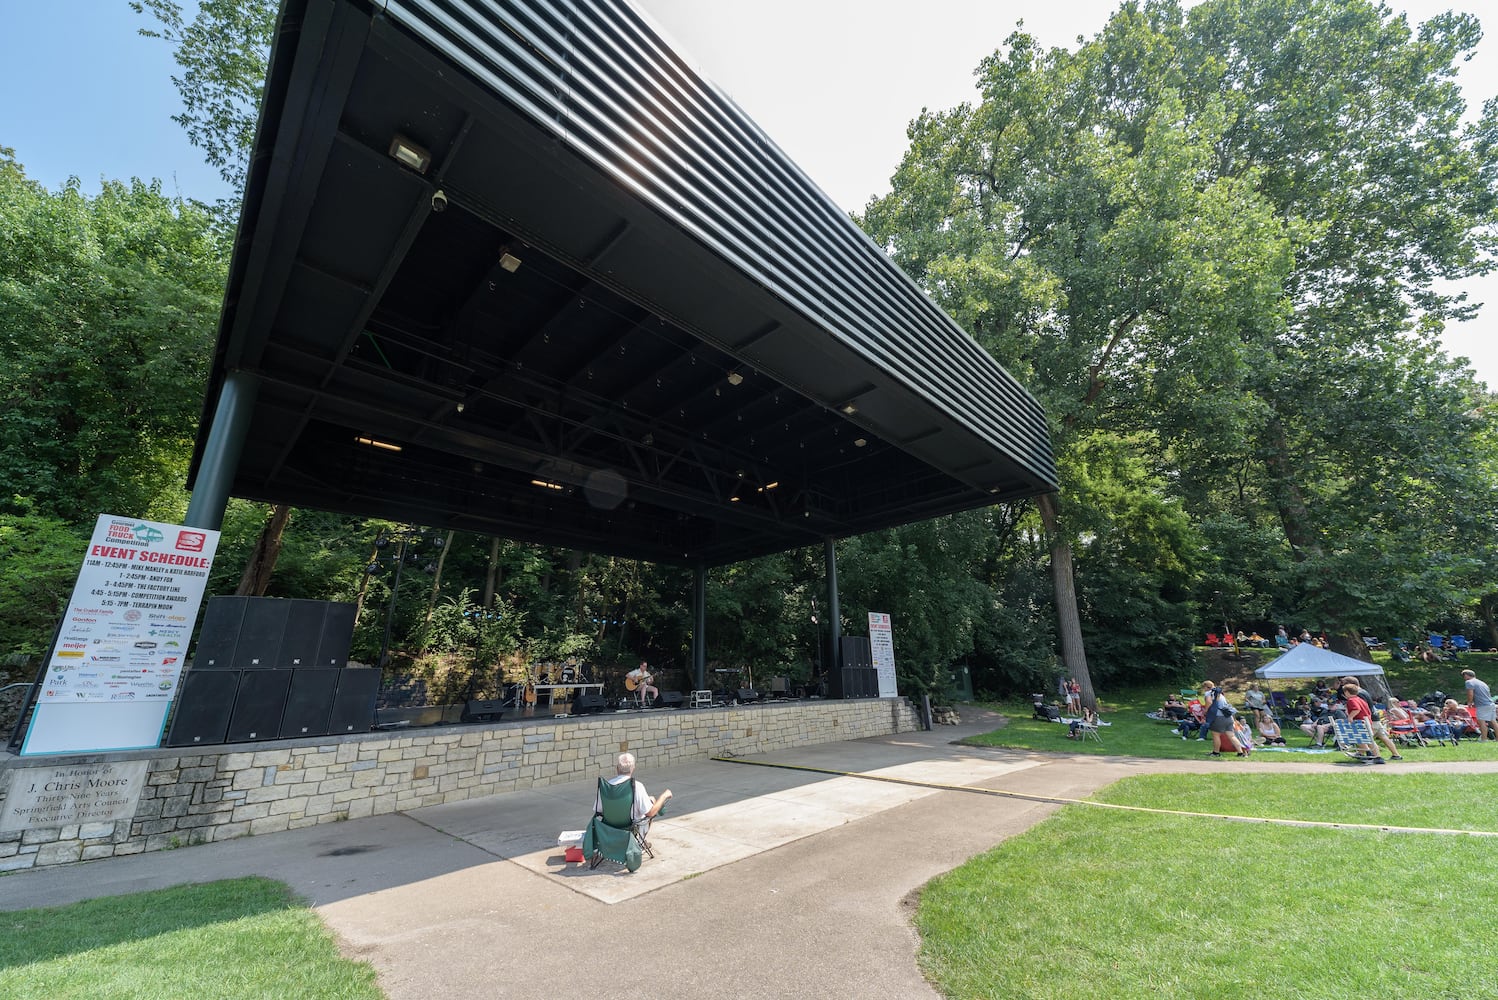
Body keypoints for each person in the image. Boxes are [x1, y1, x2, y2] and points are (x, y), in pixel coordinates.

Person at [595, 752, 673, 838]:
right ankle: (640, 844)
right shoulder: (636, 786)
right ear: (633, 768)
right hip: (630, 830)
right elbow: (650, 813)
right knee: (651, 806)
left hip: (609, 829)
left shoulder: (606, 786)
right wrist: (664, 796)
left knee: (651, 799)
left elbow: (599, 810)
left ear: (617, 768)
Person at [1341, 683, 1391, 762]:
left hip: (1359, 723)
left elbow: (1356, 709)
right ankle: (1372, 754)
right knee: (1367, 739)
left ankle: (1376, 756)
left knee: (1364, 739)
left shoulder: (1351, 700)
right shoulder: (1360, 699)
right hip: (1367, 721)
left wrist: (1350, 717)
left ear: (1347, 692)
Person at [1201, 681, 1245, 757]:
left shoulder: (1208, 693)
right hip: (1228, 717)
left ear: (1205, 687)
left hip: (1218, 717)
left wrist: (1206, 711)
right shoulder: (1220, 694)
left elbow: (1209, 701)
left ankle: (1216, 752)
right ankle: (1240, 752)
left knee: (1216, 735)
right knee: (1231, 736)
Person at [1462, 669, 1496, 742]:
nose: (1464, 678)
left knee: (1481, 722)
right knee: (1493, 722)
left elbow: (1470, 693)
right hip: (1490, 704)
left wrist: (1469, 703)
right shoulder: (1482, 683)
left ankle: (1484, 739)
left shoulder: (1469, 682)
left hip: (1482, 705)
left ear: (1466, 675)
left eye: (1463, 676)